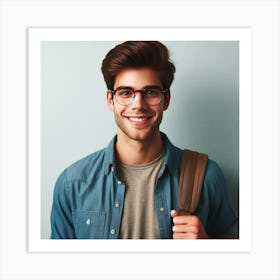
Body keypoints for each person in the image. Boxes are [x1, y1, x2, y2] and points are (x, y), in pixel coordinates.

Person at [50, 41, 238, 239]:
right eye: (125, 93)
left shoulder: (207, 175)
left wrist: (207, 246)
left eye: (150, 92)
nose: (138, 104)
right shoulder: (72, 183)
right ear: (110, 100)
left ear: (166, 99)